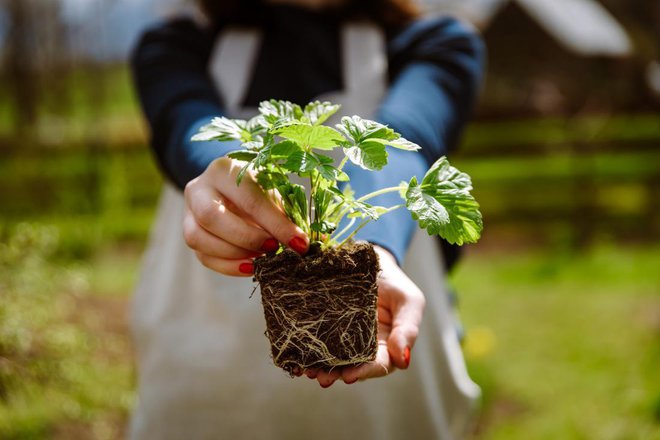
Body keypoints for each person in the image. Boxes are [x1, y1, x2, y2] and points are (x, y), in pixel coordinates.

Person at [130, 0, 485, 438]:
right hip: (203, 399)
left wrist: (374, 250)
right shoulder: (176, 43)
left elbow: (402, 143)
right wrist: (224, 179)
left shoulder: (437, 42)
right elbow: (188, 124)